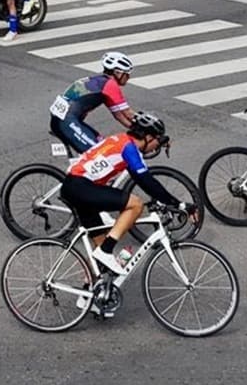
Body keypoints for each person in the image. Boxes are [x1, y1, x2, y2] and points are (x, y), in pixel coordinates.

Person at [59, 112, 196, 276]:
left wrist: (170, 201)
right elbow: (146, 181)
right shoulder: (129, 148)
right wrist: (178, 204)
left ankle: (88, 293)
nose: (157, 146)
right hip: (81, 187)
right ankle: (107, 250)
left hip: (76, 186)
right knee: (136, 204)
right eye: (157, 141)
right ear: (148, 137)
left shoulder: (121, 139)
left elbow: (143, 180)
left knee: (100, 257)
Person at [50, 53, 137, 155]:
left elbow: (119, 116)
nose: (128, 77)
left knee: (103, 145)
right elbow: (127, 113)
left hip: (63, 120)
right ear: (118, 73)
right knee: (99, 153)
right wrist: (148, 127)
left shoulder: (99, 82)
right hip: (67, 121)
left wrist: (134, 129)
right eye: (127, 74)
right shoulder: (110, 85)